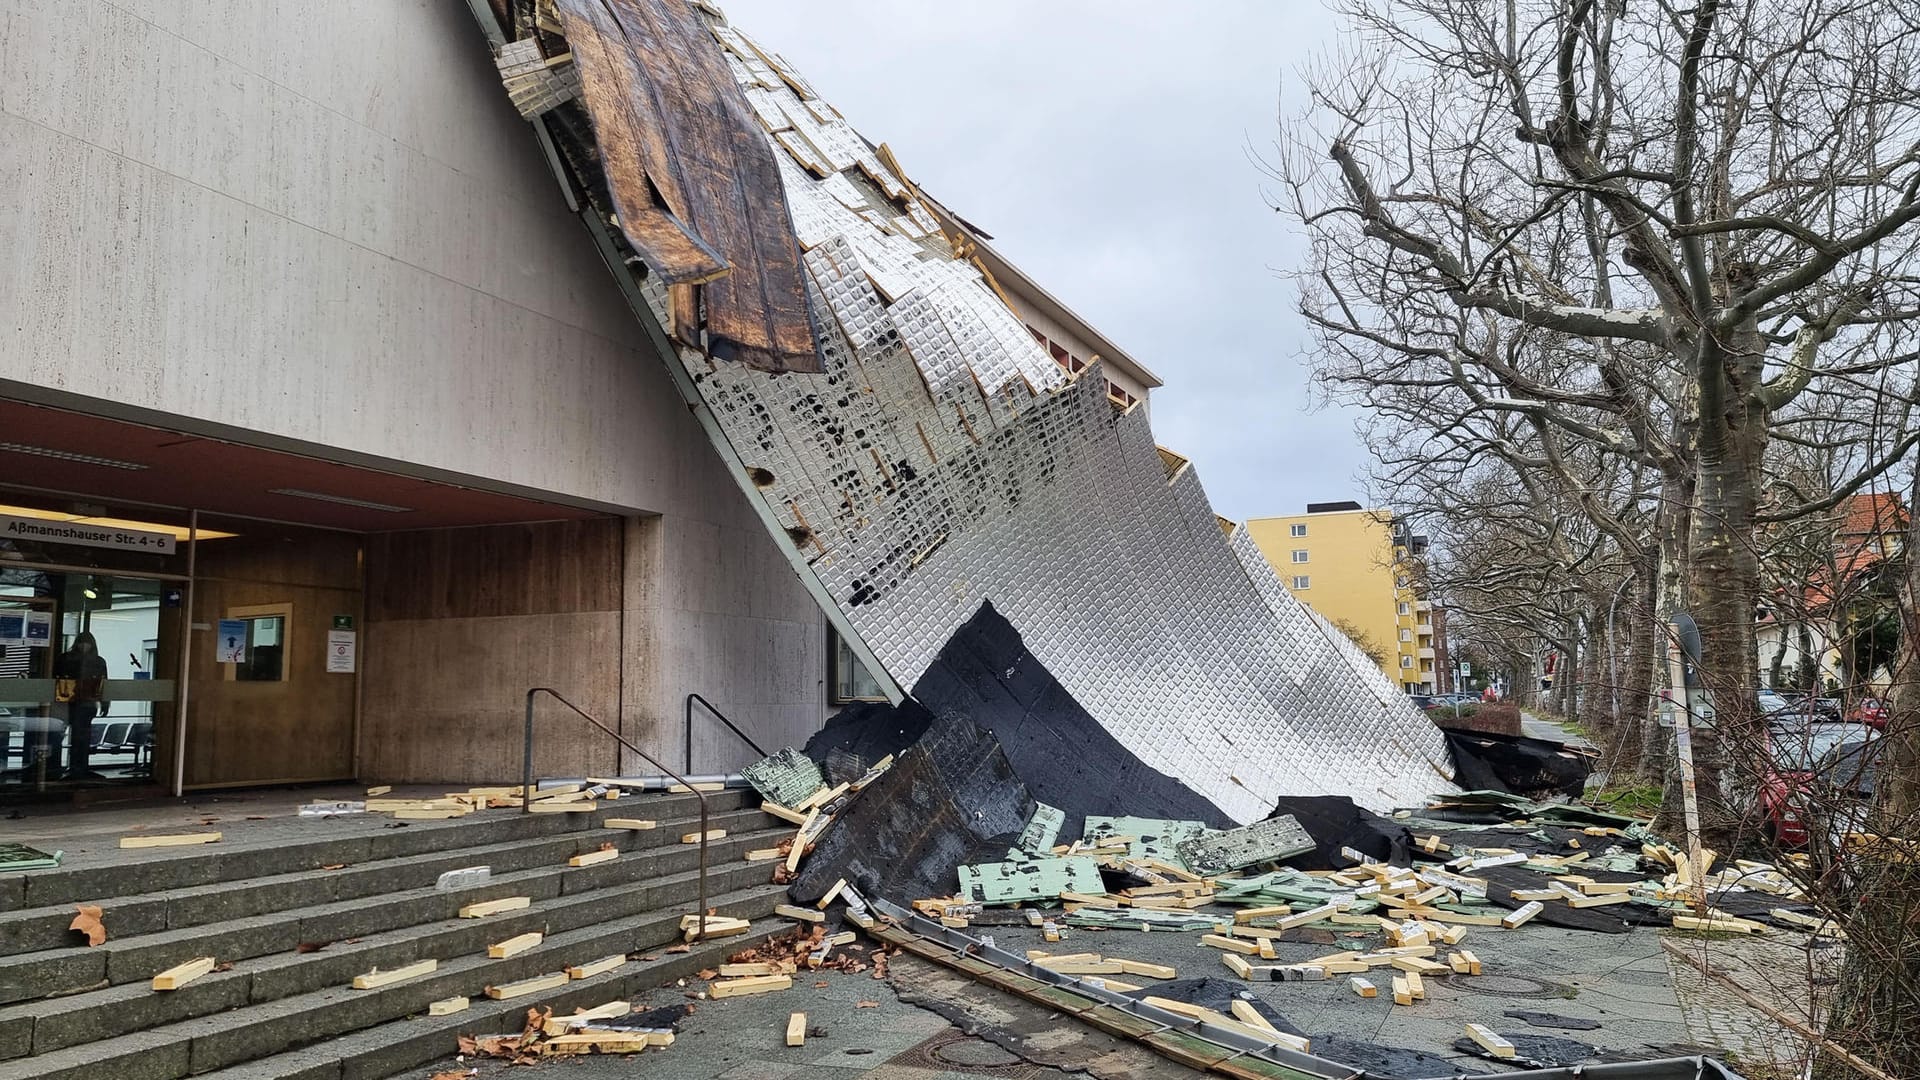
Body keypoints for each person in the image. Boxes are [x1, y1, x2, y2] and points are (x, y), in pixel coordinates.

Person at [54, 631, 109, 779]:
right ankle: (75, 768)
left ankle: (78, 768)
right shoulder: (96, 661)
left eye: (87, 643)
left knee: (81, 737)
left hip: (81, 703)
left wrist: (104, 703)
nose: (84, 646)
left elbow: (103, 684)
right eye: (82, 642)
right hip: (74, 703)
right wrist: (104, 703)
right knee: (76, 736)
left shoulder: (67, 659)